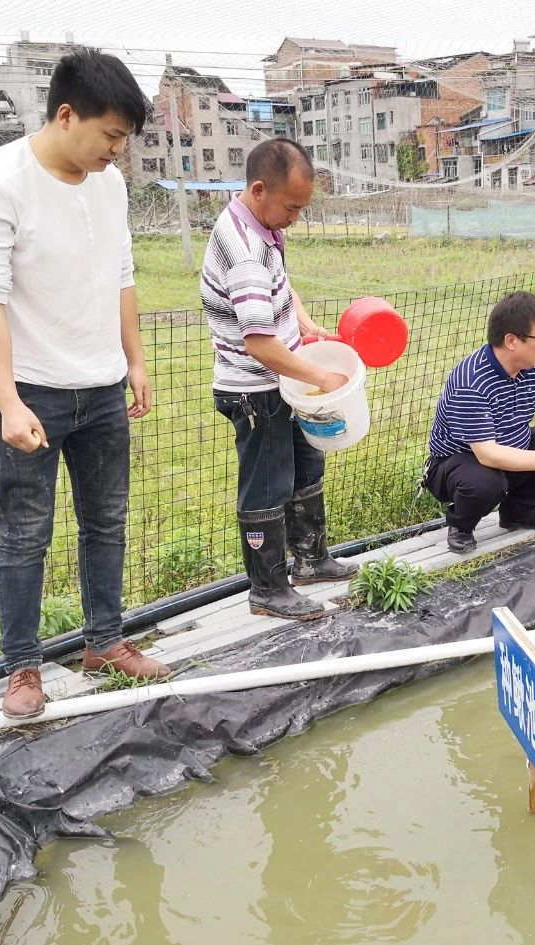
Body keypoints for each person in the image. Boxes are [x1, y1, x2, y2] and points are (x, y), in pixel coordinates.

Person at [0, 49, 170, 720]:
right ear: (66, 114)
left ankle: (105, 642)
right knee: (25, 533)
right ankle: (22, 668)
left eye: (123, 140)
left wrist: (133, 359)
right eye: (109, 135)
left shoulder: (108, 186)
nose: (116, 151)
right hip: (32, 393)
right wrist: (9, 400)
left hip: (101, 385)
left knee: (106, 522)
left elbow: (122, 274)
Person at [203, 138, 354, 621]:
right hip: (255, 389)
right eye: (292, 207)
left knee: (306, 465)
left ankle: (310, 560)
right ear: (259, 189)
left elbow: (281, 286)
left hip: (283, 381)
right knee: (267, 485)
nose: (295, 218)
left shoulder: (262, 224)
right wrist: (321, 377)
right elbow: (260, 344)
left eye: (302, 208)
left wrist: (305, 325)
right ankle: (267, 588)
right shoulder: (244, 252)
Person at [425, 292, 535, 555]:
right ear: (511, 340)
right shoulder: (471, 380)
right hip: (460, 461)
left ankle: (518, 512)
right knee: (484, 483)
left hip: (510, 447)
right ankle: (461, 526)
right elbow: (487, 453)